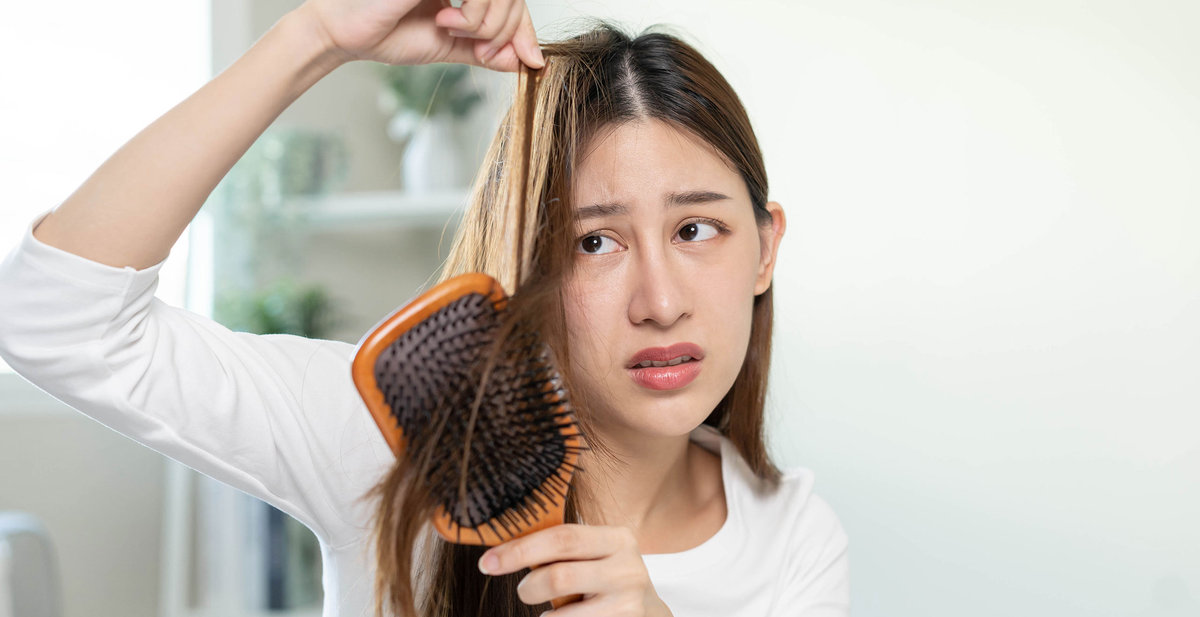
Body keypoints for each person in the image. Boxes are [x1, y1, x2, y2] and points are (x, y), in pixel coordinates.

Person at [0, 0, 850, 615]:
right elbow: (53, 316)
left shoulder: (791, 535)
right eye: (595, 242)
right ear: (528, 265)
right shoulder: (389, 434)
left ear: (765, 246)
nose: (660, 302)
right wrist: (315, 38)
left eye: (696, 228)